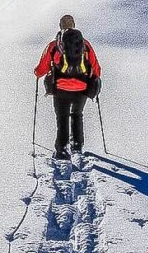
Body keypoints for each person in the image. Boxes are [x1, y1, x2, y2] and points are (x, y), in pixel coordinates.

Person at [34, 15, 101, 159]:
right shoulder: (85, 44)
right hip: (82, 88)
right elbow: (96, 69)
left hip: (60, 88)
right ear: (74, 25)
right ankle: (77, 145)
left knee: (62, 117)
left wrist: (37, 72)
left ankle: (62, 149)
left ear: (60, 26)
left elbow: (42, 68)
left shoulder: (54, 45)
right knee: (77, 115)